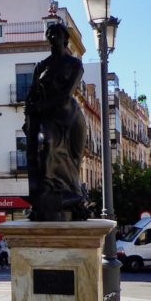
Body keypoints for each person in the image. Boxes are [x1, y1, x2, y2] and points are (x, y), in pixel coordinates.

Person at [22, 22, 89, 221]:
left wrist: (40, 107)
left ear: (64, 39)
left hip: (69, 116)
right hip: (47, 118)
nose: (51, 37)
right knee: (46, 144)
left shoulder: (75, 64)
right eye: (49, 34)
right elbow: (32, 94)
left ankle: (70, 194)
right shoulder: (41, 66)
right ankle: (49, 190)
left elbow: (67, 93)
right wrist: (29, 115)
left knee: (73, 160)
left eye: (56, 34)